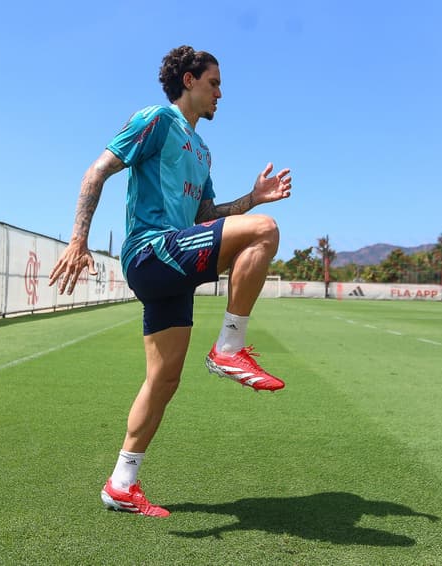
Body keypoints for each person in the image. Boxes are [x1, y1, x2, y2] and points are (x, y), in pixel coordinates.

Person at [48, 45, 292, 517]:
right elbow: (97, 171)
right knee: (265, 234)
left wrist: (253, 198)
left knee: (164, 380)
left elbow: (206, 216)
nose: (220, 93)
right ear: (188, 80)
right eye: (214, 83)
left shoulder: (202, 151)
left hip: (175, 264)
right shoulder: (157, 120)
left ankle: (122, 483)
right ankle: (228, 347)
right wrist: (78, 240)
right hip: (151, 250)